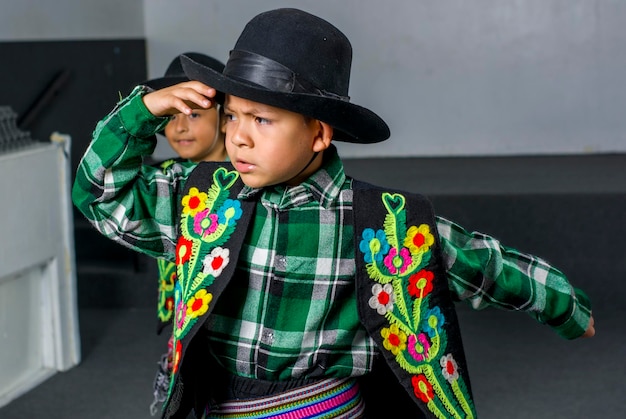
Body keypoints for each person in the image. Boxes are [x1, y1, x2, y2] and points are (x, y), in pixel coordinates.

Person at [72, 8, 594, 419]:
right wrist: (140, 113)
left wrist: (564, 304)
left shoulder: (379, 223)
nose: (238, 136)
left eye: (262, 118)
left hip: (321, 408)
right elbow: (99, 195)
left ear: (319, 133)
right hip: (217, 402)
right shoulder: (199, 198)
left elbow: (481, 263)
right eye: (230, 116)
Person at [141, 52, 228, 416]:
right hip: (186, 318)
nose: (179, 128)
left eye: (194, 114)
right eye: (170, 116)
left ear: (226, 118)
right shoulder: (171, 178)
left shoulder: (249, 175)